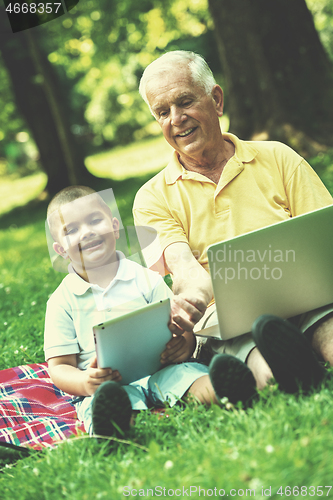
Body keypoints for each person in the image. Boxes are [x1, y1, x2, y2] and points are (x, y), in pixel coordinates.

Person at [133, 50, 333, 395]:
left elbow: (324, 237)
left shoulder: (279, 157)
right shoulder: (150, 198)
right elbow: (181, 266)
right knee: (267, 373)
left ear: (216, 99)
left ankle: (308, 357)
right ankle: (298, 372)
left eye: (184, 102)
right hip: (226, 319)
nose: (176, 119)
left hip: (308, 298)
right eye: (163, 112)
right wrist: (193, 297)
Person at [44, 186, 257, 438]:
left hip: (162, 369)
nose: (87, 232)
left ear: (114, 226)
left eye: (94, 221)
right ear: (60, 249)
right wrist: (85, 382)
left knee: (189, 376)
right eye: (72, 230)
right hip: (107, 385)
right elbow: (59, 367)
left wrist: (184, 346)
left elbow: (180, 327)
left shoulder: (145, 278)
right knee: (102, 402)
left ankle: (226, 389)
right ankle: (117, 426)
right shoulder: (62, 301)